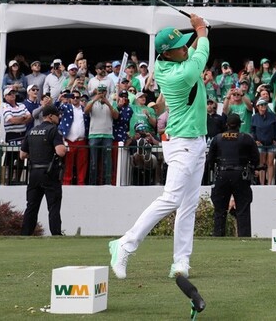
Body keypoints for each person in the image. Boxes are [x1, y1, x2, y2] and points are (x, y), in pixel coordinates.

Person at [109, 14, 209, 280]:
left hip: (197, 140)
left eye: (186, 43)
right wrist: (201, 29)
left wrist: (160, 105)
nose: (187, 48)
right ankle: (125, 244)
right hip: (182, 143)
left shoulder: (170, 65)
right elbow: (202, 51)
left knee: (188, 205)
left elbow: (166, 97)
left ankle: (180, 262)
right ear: (168, 53)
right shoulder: (185, 71)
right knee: (172, 199)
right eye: (181, 46)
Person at [206, 113, 260, 237]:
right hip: (240, 175)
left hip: (222, 174)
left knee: (220, 210)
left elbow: (210, 160)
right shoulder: (246, 138)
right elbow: (256, 159)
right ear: (240, 125)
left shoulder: (218, 138)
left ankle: (218, 237)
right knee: (243, 209)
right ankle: (244, 238)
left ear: (226, 124)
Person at [20, 105, 66, 236]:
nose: (59, 117)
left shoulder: (32, 131)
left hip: (34, 173)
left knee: (32, 206)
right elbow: (61, 152)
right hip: (49, 173)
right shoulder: (53, 130)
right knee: (53, 206)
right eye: (57, 115)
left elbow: (22, 154)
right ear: (50, 116)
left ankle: (25, 234)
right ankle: (56, 234)